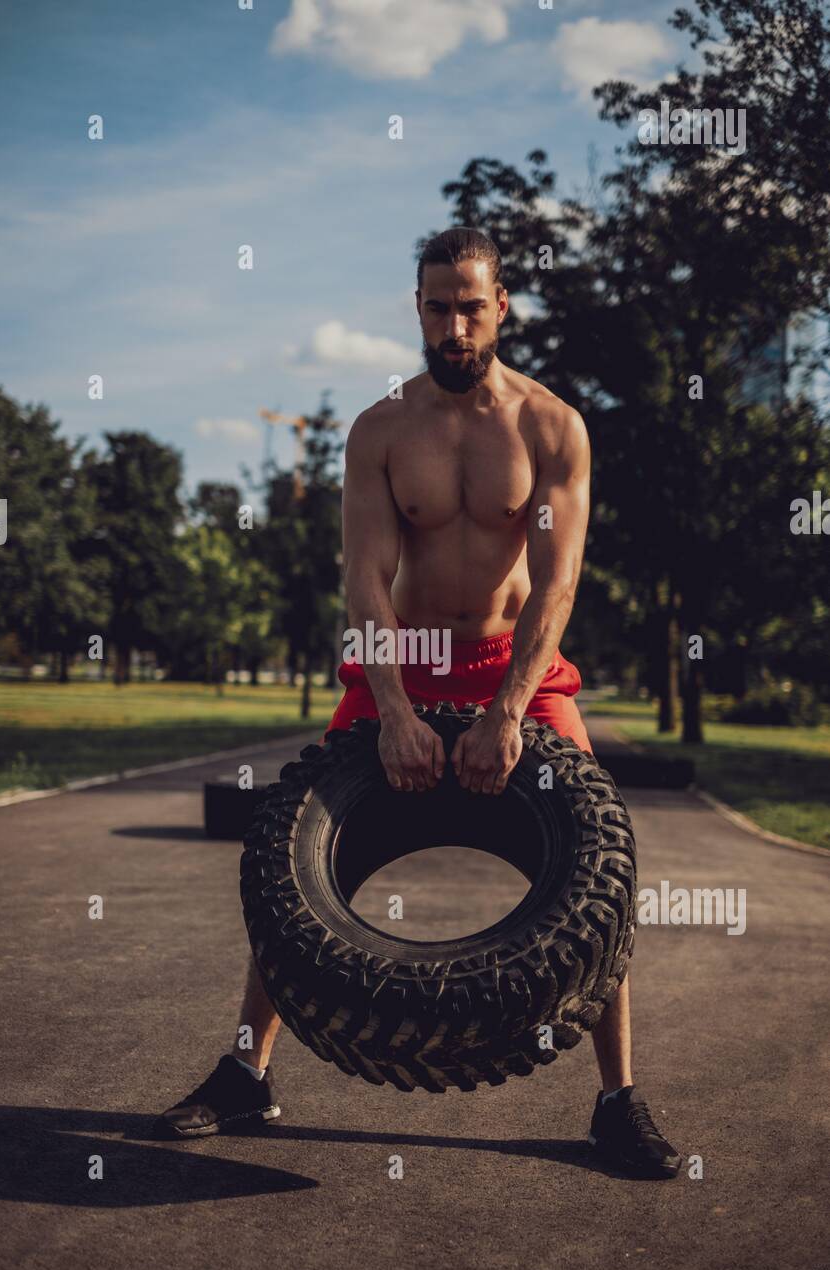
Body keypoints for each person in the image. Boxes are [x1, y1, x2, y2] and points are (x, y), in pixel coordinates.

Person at [157, 227, 681, 1179]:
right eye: (437, 306)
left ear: (503, 304)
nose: (453, 323)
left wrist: (510, 711)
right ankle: (247, 1074)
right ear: (418, 308)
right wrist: (393, 711)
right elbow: (364, 580)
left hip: (513, 664)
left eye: (470, 305)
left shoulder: (552, 427)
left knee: (596, 869)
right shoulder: (381, 431)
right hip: (401, 664)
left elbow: (558, 588)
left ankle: (616, 1101)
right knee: (295, 864)